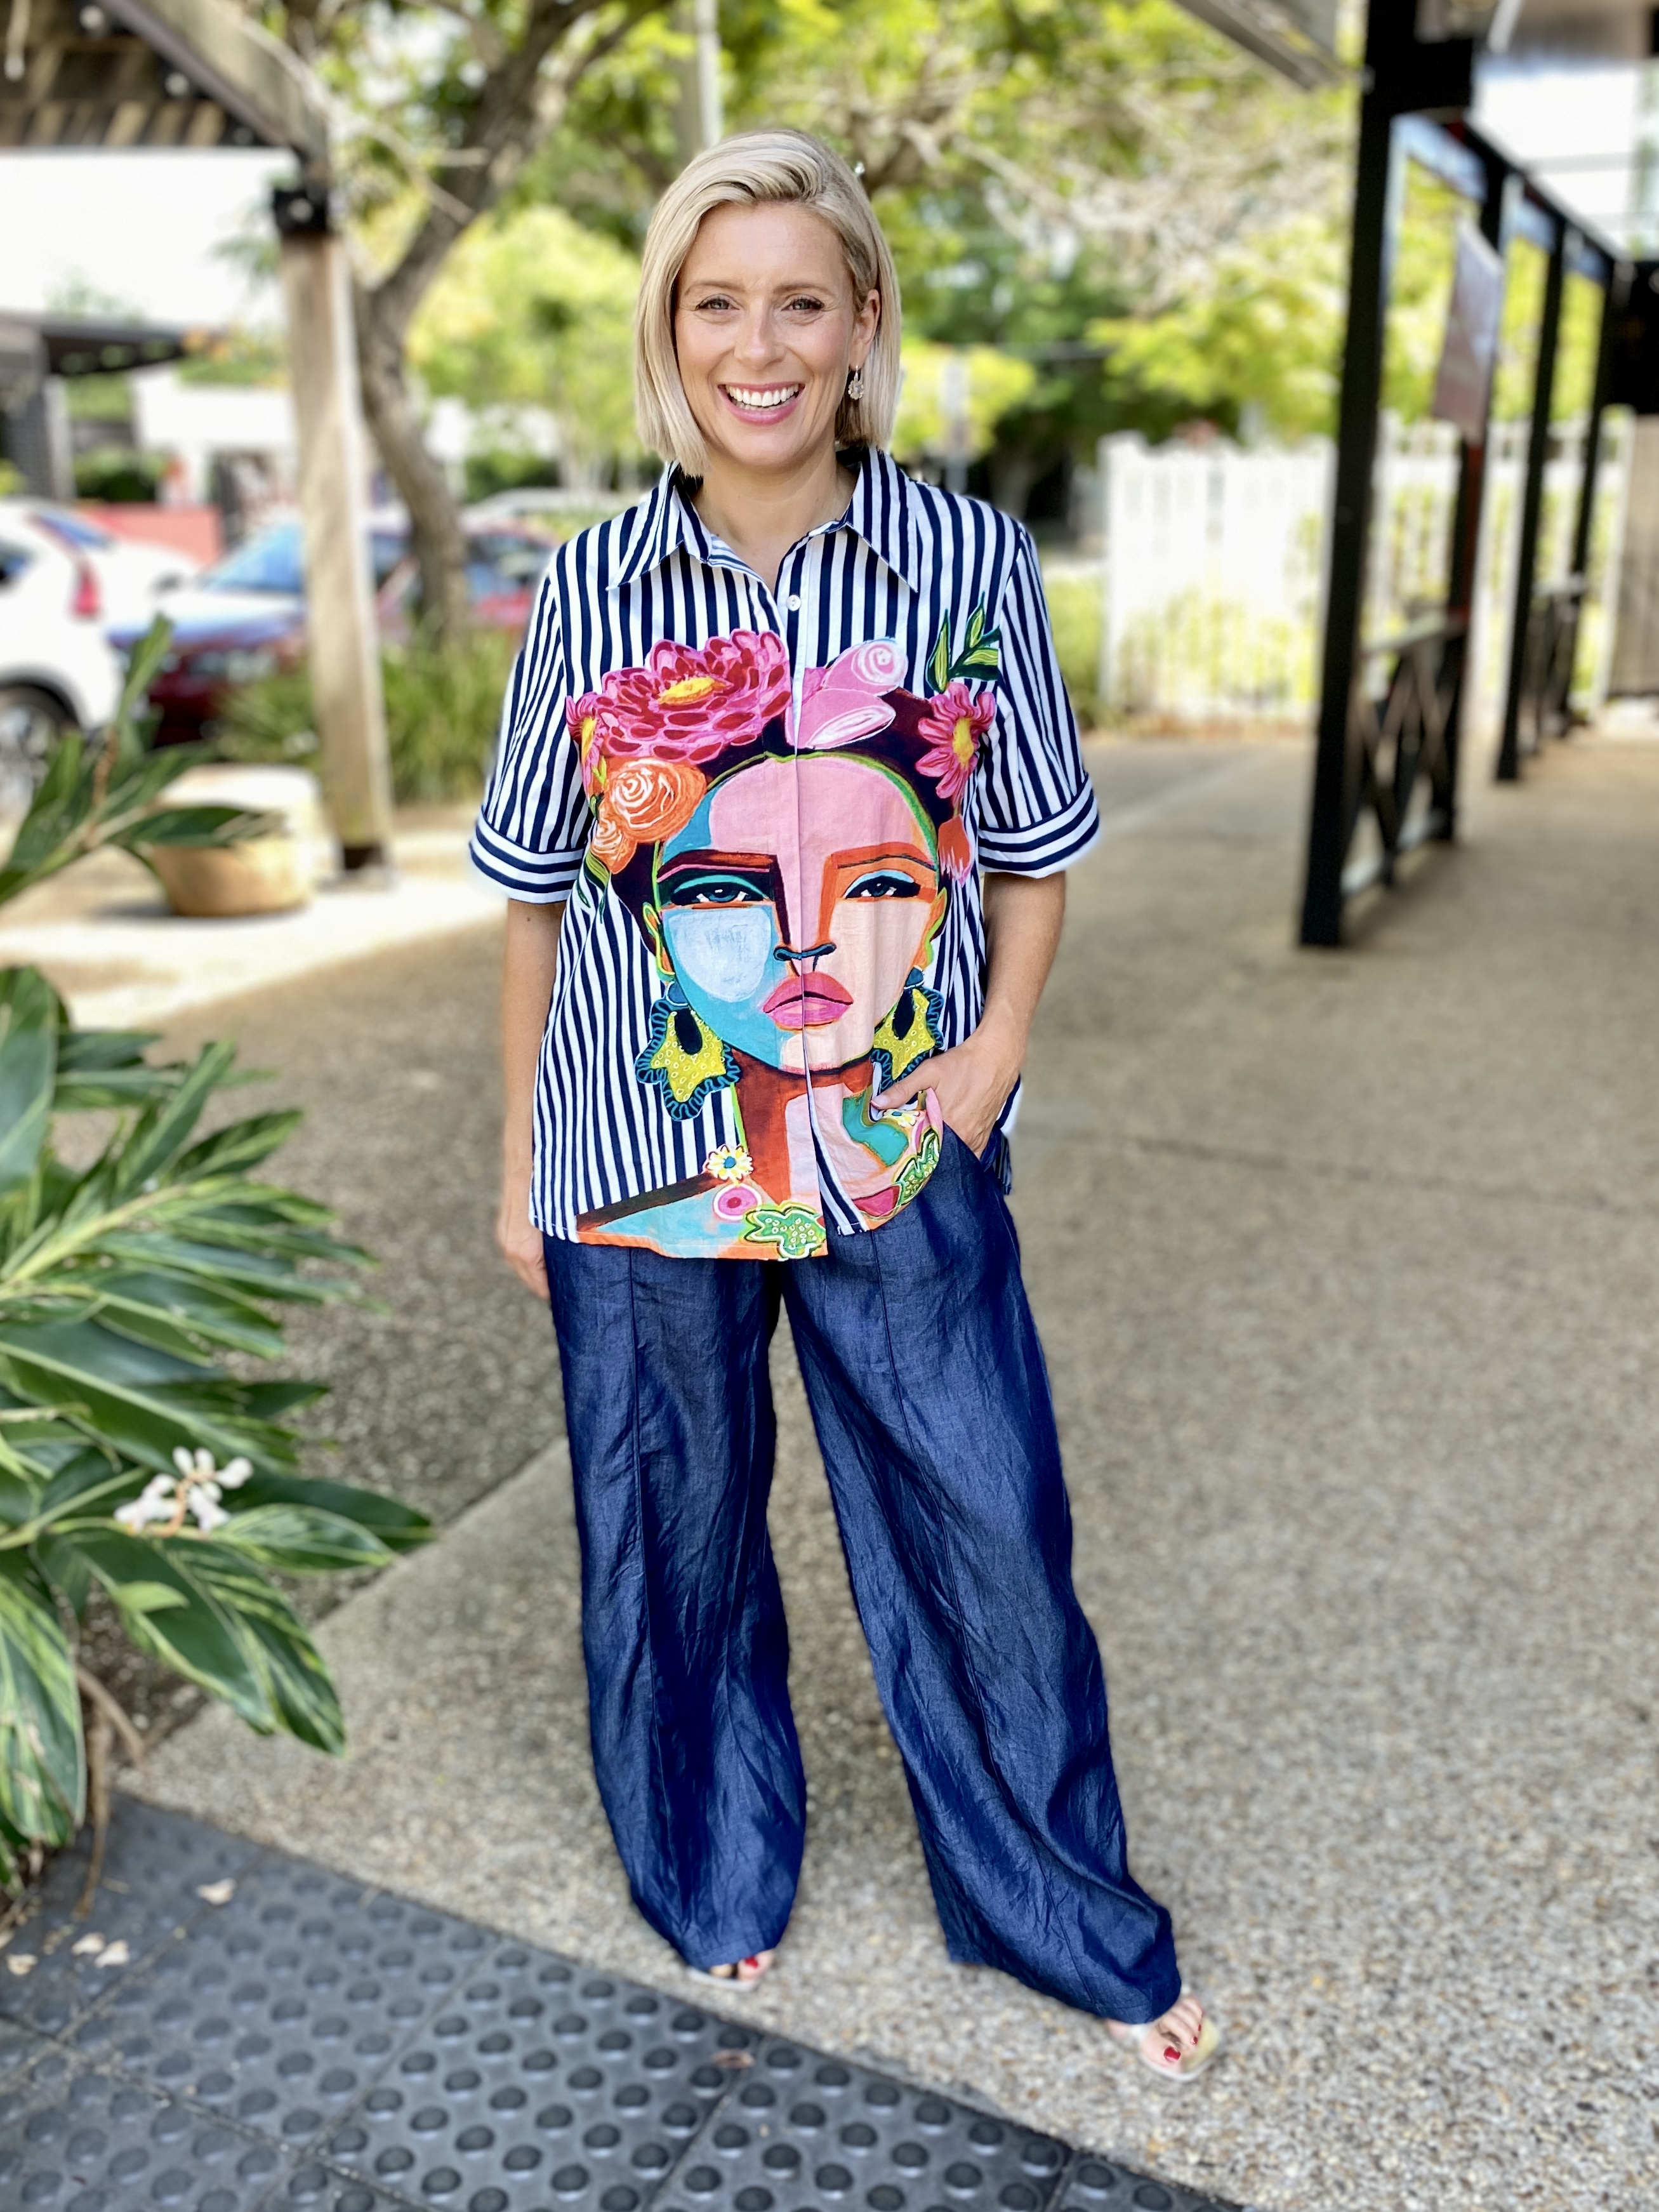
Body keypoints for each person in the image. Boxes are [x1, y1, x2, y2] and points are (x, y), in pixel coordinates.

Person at [471, 126, 1217, 2084]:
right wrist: (520, 1162)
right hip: (640, 1159)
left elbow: (1033, 855)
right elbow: (539, 898)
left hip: (901, 1146)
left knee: (985, 1517)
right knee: (673, 1531)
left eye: (801, 300)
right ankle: (713, 1872)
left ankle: (1062, 1913)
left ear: (864, 321)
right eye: (717, 304)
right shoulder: (591, 585)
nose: (761, 346)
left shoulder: (967, 561)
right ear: (668, 333)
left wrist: (990, 1064)